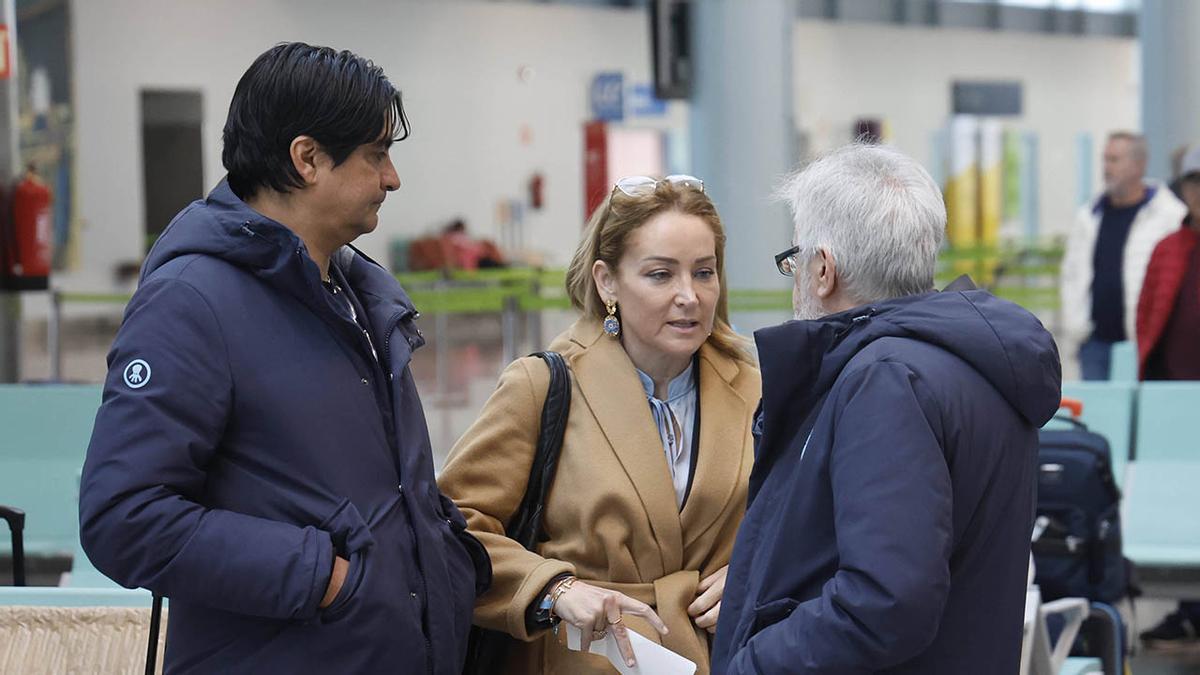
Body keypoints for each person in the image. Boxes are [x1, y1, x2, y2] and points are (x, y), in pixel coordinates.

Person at [78, 42, 489, 673]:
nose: (392, 178)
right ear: (307, 159)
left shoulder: (360, 298)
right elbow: (124, 517)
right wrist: (322, 577)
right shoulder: (190, 303)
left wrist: (450, 564)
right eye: (376, 154)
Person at [710, 144, 1062, 674]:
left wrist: (753, 664)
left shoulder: (885, 381)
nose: (796, 274)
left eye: (796, 258)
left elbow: (884, 601)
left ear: (823, 269)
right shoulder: (969, 364)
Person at [437, 175, 761, 674]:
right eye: (660, 275)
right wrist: (553, 588)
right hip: (588, 659)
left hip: (726, 655)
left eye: (704, 272)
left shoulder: (756, 390)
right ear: (607, 280)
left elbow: (808, 524)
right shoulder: (544, 385)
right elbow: (452, 525)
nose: (689, 295)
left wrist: (756, 569)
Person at [1135, 144, 1200, 644]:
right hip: (1175, 397)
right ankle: (1189, 609)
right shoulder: (1169, 248)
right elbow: (1147, 316)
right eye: (1195, 182)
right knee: (1185, 506)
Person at [1060, 131, 1185, 380]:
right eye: (1105, 159)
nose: (1106, 168)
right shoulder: (1089, 216)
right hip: (1094, 343)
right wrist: (1075, 324)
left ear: (1139, 165)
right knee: (1097, 405)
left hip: (1142, 344)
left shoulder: (1170, 216)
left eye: (1114, 160)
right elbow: (1071, 274)